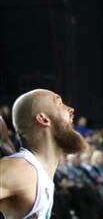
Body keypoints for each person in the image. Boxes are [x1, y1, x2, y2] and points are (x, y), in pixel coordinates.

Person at [0, 89, 88, 219]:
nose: (71, 109)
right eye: (59, 103)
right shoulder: (21, 170)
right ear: (43, 119)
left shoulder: (36, 172)